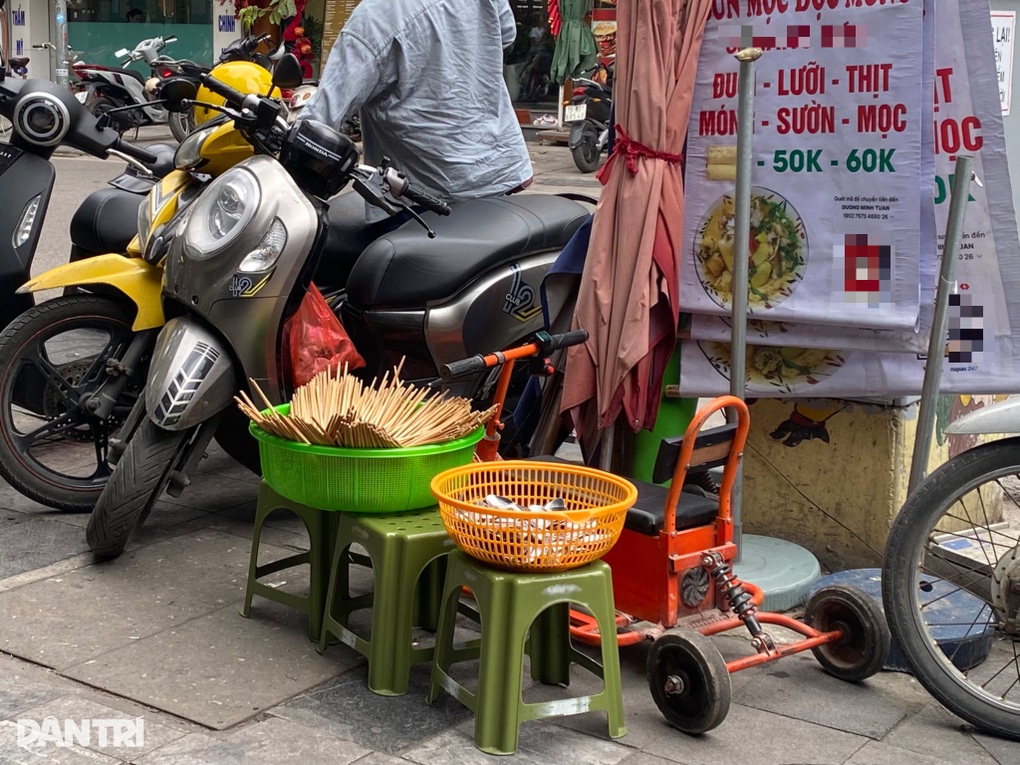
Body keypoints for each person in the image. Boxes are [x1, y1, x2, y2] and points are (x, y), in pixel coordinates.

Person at [299, 0, 533, 206]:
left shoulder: (374, 17)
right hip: (495, 168)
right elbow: (505, 35)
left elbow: (321, 117)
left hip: (426, 194)